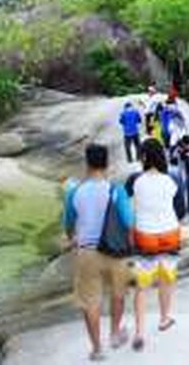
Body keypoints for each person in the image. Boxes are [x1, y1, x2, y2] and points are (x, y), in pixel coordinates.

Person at [63, 144, 134, 361]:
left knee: (90, 300)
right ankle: (114, 334)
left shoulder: (75, 192)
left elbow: (68, 224)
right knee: (118, 294)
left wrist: (72, 238)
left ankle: (97, 349)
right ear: (107, 164)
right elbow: (129, 222)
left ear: (87, 163)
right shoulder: (116, 190)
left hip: (87, 252)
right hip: (115, 250)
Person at [125, 138, 182, 352]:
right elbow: (181, 209)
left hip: (145, 235)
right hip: (169, 233)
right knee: (166, 278)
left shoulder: (135, 181)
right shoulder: (171, 179)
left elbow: (126, 202)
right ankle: (164, 318)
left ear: (143, 157)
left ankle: (139, 332)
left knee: (142, 285)